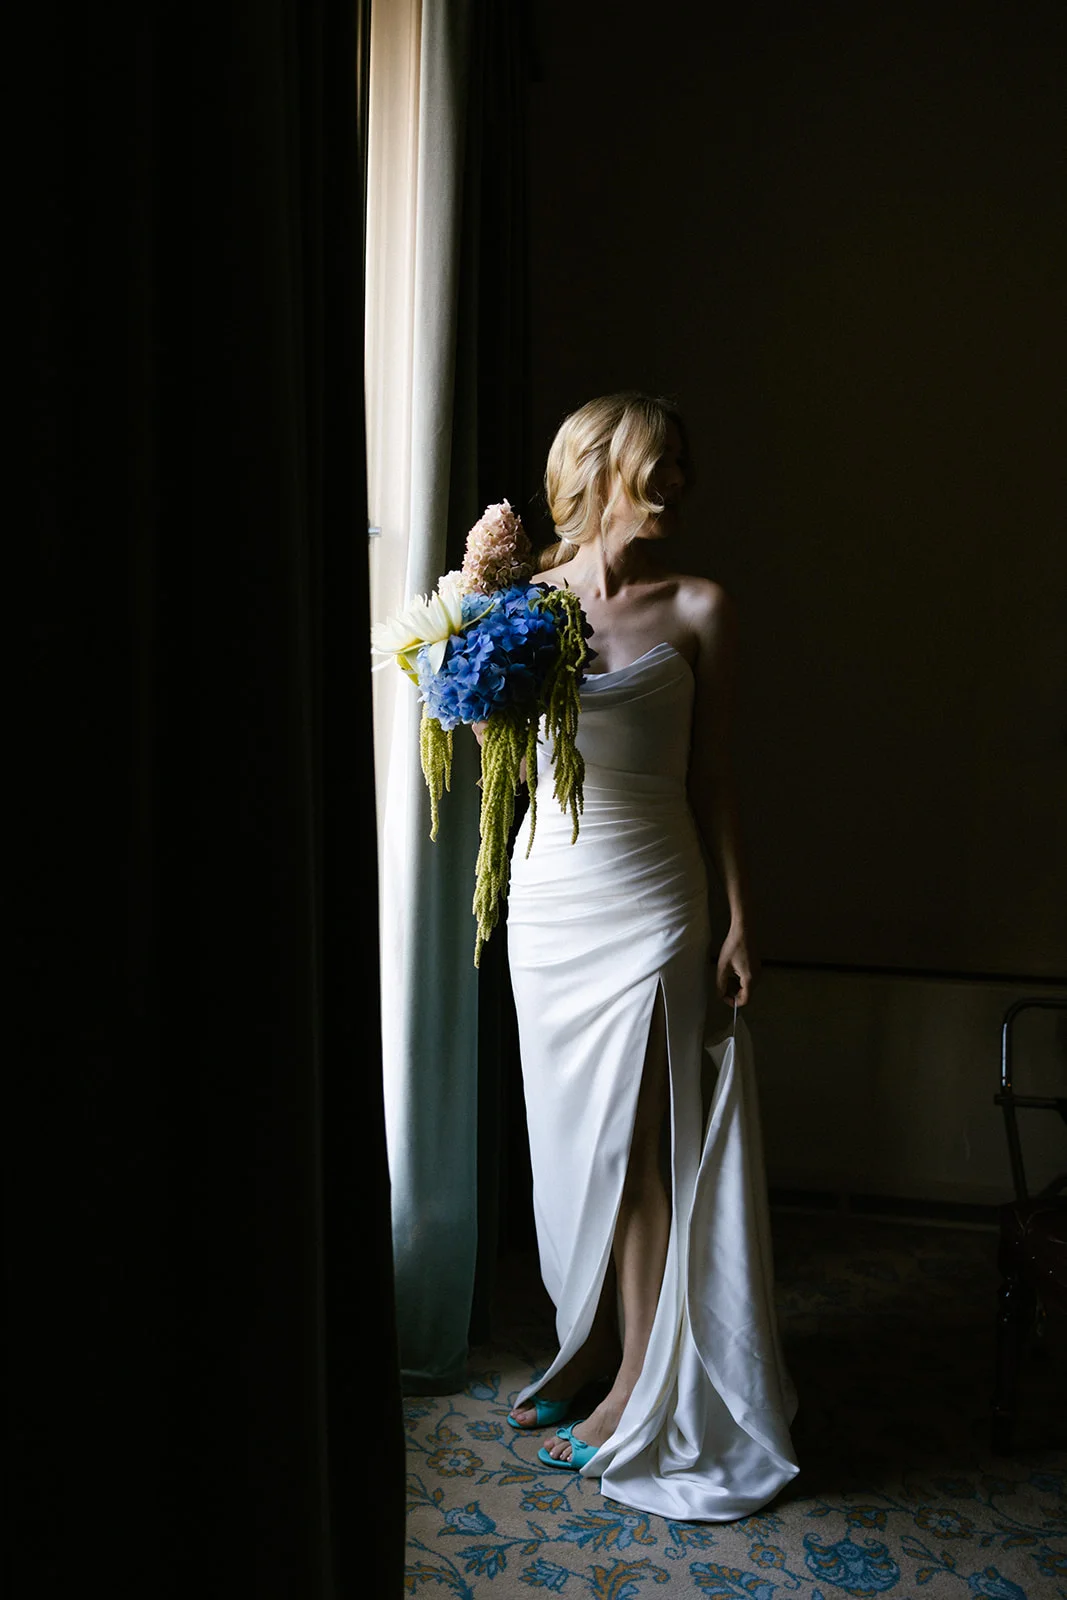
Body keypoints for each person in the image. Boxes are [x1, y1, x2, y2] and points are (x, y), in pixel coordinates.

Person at [503, 392, 798, 1521]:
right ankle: (587, 1344)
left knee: (640, 1150)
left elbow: (713, 775)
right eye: (655, 462)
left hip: (652, 900)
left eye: (681, 462)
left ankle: (635, 1383)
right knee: (571, 1149)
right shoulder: (525, 604)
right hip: (549, 897)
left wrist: (737, 917)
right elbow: (506, 764)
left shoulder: (700, 605)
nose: (676, 481)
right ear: (594, 469)